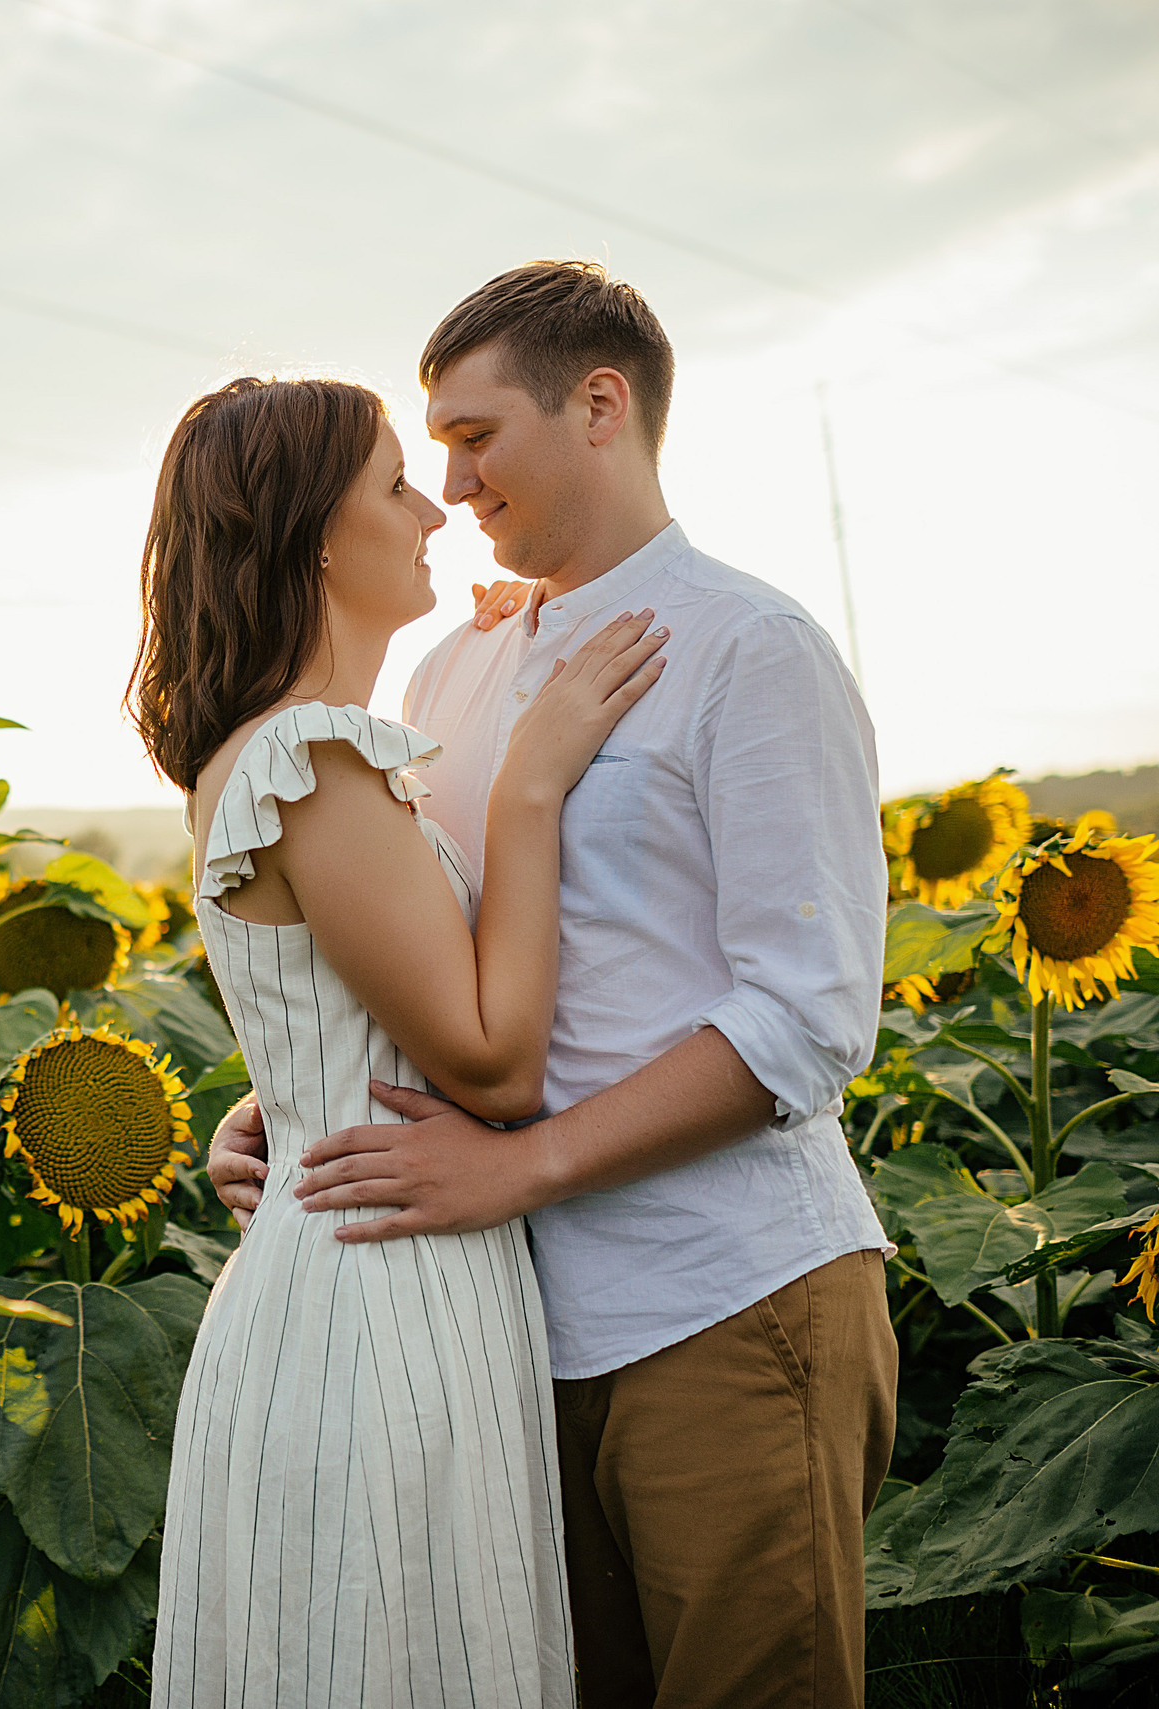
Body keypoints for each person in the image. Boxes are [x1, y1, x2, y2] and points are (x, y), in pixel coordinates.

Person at [207, 261, 896, 1709]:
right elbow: (408, 944)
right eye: (430, 450)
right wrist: (288, 1094)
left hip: (725, 1300)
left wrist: (522, 1171)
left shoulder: (747, 648)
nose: (451, 485)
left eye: (474, 436)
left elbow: (810, 1019)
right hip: (504, 1333)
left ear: (600, 406)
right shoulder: (448, 675)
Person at [138, 372, 668, 1708]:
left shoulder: (277, 756)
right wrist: (534, 779)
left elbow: (336, 1015)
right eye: (392, 482)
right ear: (318, 532)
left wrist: (497, 664)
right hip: (385, 1297)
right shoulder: (312, 757)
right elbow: (493, 1060)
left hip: (354, 1254)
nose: (433, 506)